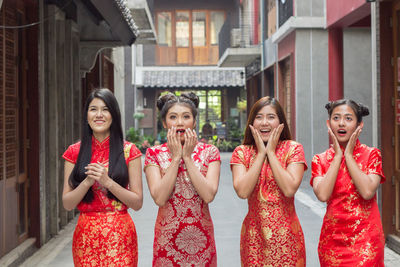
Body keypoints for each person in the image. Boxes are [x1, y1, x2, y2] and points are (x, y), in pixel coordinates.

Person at [62, 88, 143, 266]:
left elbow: (137, 203)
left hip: (120, 237)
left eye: (105, 109)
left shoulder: (130, 151)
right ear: (86, 115)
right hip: (86, 238)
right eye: (93, 109)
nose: (99, 114)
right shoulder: (74, 152)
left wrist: (107, 182)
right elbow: (67, 204)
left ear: (114, 114)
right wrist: (87, 182)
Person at [144, 92, 221, 266]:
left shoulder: (210, 152)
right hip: (167, 240)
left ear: (194, 121)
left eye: (186, 117)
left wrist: (187, 158)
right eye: (173, 117)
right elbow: (159, 197)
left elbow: (208, 195)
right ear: (164, 123)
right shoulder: (154, 154)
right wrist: (176, 157)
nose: (179, 122)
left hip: (201, 239)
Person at [230, 96, 307, 266]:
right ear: (251, 122)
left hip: (287, 237)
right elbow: (242, 191)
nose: (264, 122)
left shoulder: (293, 149)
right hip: (254, 237)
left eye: (271, 117)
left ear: (281, 122)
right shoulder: (242, 152)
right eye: (259, 117)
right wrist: (260, 155)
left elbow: (289, 189)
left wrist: (271, 153)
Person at [311, 99, 385, 266]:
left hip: (366, 240)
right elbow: (322, 194)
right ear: (328, 123)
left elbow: (367, 192)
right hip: (332, 241)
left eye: (348, 118)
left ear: (360, 125)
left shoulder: (372, 154)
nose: (341, 123)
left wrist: (349, 156)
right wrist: (338, 156)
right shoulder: (320, 159)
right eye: (336, 118)